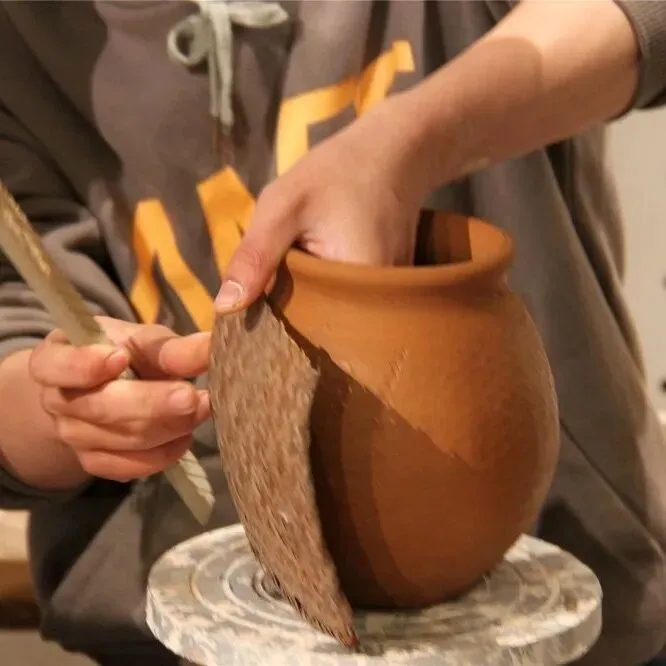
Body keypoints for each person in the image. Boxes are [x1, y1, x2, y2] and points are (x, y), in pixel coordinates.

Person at [0, 0, 665, 664]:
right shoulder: (22, 38)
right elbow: (17, 342)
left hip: (571, 605)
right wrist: (72, 404)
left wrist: (408, 140)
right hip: (186, 633)